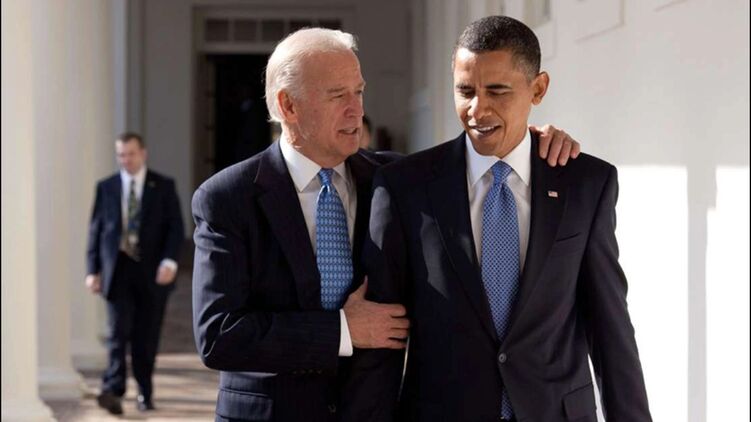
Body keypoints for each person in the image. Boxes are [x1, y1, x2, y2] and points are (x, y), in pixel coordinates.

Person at [191, 27, 580, 422]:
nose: (356, 110)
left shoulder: (397, 180)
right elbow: (219, 335)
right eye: (337, 96)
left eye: (358, 92)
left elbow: (483, 153)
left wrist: (531, 143)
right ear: (288, 106)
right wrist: (343, 331)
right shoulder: (227, 198)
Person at [343, 16, 651, 422]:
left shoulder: (585, 184)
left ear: (538, 89)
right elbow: (383, 339)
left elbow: (610, 328)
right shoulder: (405, 187)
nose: (477, 109)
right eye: (465, 91)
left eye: (497, 91)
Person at [85, 132, 184, 415]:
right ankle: (113, 389)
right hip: (117, 271)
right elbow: (96, 231)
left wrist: (170, 262)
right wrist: (92, 270)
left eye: (130, 154)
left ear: (143, 153)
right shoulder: (106, 187)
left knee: (146, 335)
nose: (126, 160)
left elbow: (175, 229)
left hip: (152, 272)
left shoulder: (163, 186)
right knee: (117, 333)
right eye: (121, 155)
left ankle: (145, 391)